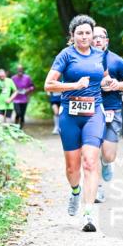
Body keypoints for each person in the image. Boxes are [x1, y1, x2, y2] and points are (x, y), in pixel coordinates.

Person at [43, 15, 107, 232]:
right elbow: (49, 85)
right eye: (80, 33)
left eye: (88, 32)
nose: (84, 36)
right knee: (72, 167)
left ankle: (88, 214)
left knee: (90, 161)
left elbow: (103, 78)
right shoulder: (66, 55)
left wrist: (108, 83)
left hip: (94, 113)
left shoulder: (100, 55)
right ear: (72, 35)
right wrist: (74, 85)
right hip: (70, 114)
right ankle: (75, 191)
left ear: (92, 34)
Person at [91, 26, 123, 203]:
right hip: (91, 111)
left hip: (112, 111)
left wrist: (117, 85)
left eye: (101, 37)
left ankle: (106, 164)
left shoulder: (116, 61)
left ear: (107, 41)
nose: (97, 40)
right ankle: (97, 188)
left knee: (108, 155)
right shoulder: (83, 60)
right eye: (94, 37)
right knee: (92, 152)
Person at [11, 65, 35, 130]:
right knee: (18, 113)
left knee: (22, 114)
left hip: (24, 99)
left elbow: (32, 87)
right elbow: (10, 88)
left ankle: (20, 128)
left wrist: (28, 90)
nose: (20, 71)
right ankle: (16, 125)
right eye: (18, 69)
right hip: (16, 99)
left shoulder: (27, 78)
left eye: (21, 69)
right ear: (17, 70)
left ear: (23, 70)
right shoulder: (13, 78)